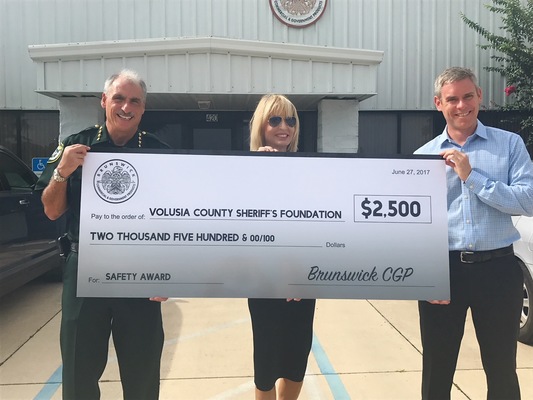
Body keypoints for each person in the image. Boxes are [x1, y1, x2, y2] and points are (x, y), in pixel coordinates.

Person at [36, 69, 170, 400]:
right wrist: (63, 173)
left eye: (135, 101)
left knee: (142, 371)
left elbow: (174, 220)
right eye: (119, 98)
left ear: (143, 108)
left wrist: (171, 274)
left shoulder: (160, 151)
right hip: (85, 267)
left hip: (141, 271)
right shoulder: (75, 145)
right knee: (79, 369)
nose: (126, 106)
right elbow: (52, 210)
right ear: (104, 101)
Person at [414, 67, 533, 400]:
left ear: (479, 96)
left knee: (501, 369)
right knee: (436, 370)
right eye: (452, 99)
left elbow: (528, 199)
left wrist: (472, 177)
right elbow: (416, 227)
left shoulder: (508, 145)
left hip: (498, 271)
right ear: (439, 103)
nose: (461, 105)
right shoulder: (422, 157)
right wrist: (426, 277)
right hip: (444, 273)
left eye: (468, 96)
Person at [247, 94, 316, 400]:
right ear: (261, 125)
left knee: (296, 360)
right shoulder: (244, 169)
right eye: (275, 119)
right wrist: (260, 169)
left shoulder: (310, 168)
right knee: (266, 365)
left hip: (301, 281)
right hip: (264, 281)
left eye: (290, 120)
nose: (283, 126)